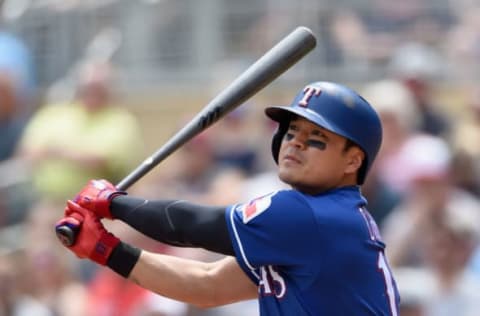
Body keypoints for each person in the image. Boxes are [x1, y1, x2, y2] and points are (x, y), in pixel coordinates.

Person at [55, 81, 400, 315]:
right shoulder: (318, 223)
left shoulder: (312, 215)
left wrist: (113, 202)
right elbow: (208, 286)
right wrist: (107, 250)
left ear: (353, 160)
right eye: (292, 131)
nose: (294, 142)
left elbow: (194, 226)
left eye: (315, 136)